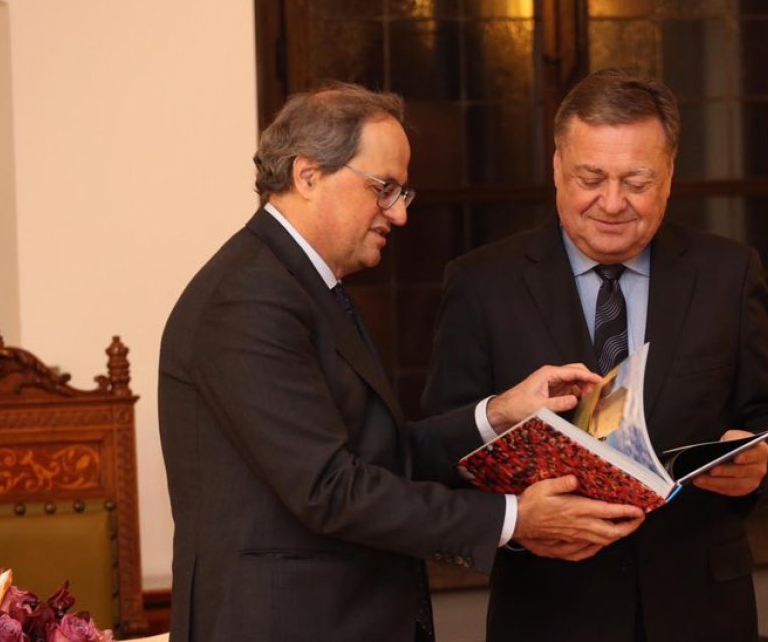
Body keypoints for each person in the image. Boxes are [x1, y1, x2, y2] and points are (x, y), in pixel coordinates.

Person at [157, 83, 645, 642]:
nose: (399, 214)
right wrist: (513, 519)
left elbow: (380, 457)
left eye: (402, 194)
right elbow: (330, 489)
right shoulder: (249, 298)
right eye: (384, 189)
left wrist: (500, 413)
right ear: (307, 174)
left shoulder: (306, 287)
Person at [422, 69, 768, 641]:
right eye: (590, 178)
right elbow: (441, 451)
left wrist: (761, 465)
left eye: (636, 180)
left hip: (702, 613)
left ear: (669, 176)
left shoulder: (726, 274)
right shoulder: (484, 284)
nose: (612, 203)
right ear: (557, 168)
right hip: (549, 614)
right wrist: (517, 519)